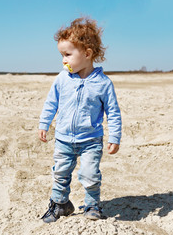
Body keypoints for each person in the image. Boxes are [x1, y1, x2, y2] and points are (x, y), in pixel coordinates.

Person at [38, 17, 122, 223]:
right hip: (64, 139)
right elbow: (51, 103)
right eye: (61, 55)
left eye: (67, 54)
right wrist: (44, 123)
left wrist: (115, 137)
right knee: (60, 173)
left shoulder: (103, 83)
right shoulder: (61, 79)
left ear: (87, 53)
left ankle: (92, 205)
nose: (63, 60)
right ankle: (60, 204)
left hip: (90, 141)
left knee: (90, 175)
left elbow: (113, 111)